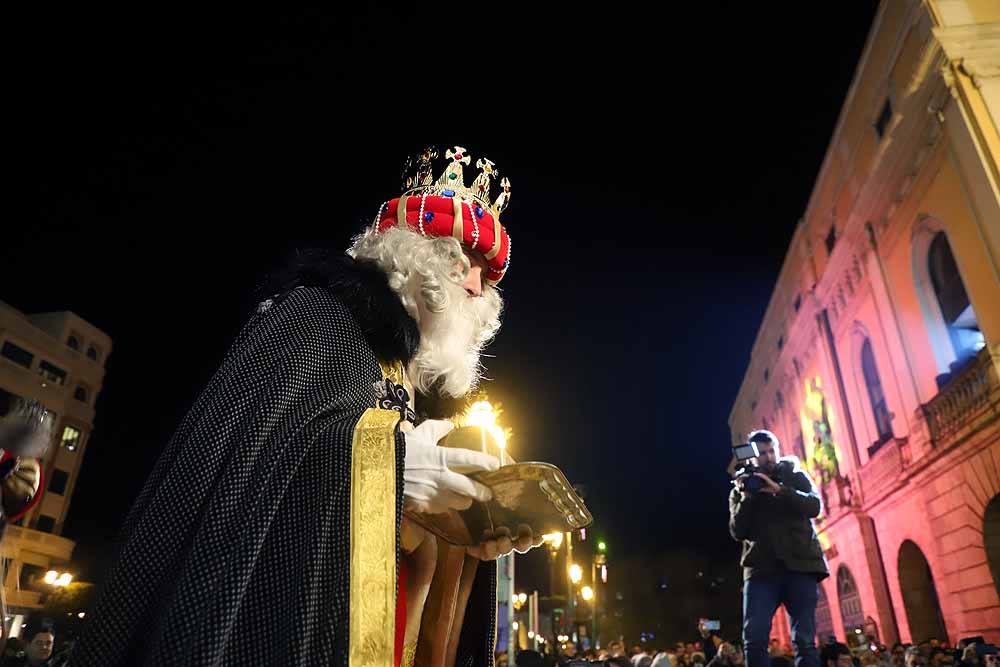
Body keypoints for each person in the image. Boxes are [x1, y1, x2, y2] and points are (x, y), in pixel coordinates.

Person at [72, 146, 541, 666]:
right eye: (464, 260)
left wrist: (464, 531)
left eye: (487, 272)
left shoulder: (426, 394)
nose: (477, 285)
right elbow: (250, 478)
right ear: (414, 252)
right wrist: (389, 465)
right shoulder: (315, 318)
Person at [729, 430, 829, 667]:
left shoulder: (795, 476)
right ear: (752, 457)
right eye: (762, 453)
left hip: (800, 566)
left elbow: (814, 506)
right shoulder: (741, 489)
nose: (768, 457)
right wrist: (748, 497)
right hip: (761, 571)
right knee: (753, 638)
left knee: (805, 640)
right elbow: (737, 531)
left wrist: (779, 490)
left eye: (772, 450)